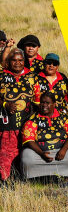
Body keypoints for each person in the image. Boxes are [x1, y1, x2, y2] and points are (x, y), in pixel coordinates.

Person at [0, 48, 41, 180]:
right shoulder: (1, 76)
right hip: (6, 124)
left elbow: (38, 101)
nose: (17, 63)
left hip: (27, 124)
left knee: (26, 153)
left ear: (24, 61)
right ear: (8, 61)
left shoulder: (33, 77)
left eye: (20, 60)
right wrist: (6, 104)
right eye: (14, 60)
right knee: (5, 154)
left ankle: (24, 180)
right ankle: (5, 182)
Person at [20, 92, 68, 182]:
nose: (44, 105)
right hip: (39, 153)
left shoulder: (64, 117)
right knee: (27, 156)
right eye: (42, 102)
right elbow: (28, 140)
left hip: (61, 152)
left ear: (54, 104)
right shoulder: (33, 119)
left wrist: (63, 150)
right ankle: (34, 179)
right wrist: (41, 153)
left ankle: (65, 178)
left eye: (47, 103)